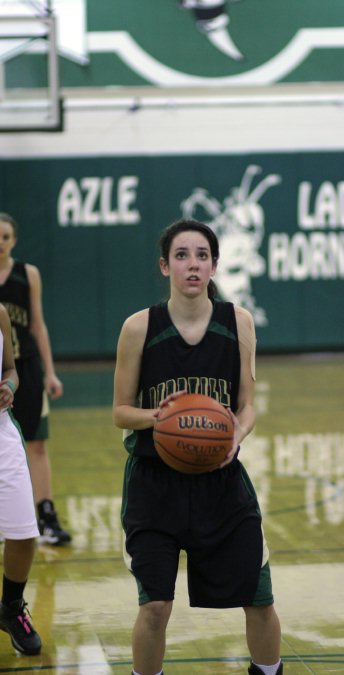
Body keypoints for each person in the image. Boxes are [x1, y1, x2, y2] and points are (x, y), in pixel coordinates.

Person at [113, 218, 282, 675]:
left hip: (222, 484)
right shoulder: (139, 327)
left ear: (214, 265)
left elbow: (246, 408)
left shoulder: (238, 322)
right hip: (155, 486)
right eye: (182, 256)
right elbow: (120, 412)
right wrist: (159, 418)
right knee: (155, 608)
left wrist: (235, 436)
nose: (193, 265)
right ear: (164, 266)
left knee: (260, 600)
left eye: (202, 255)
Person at [0, 213, 71, 545]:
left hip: (24, 368)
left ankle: (47, 516)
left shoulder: (28, 275)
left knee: (37, 444)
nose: (0, 242)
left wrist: (51, 371)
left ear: (14, 240)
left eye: (5, 236)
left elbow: (38, 325)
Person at [0, 303, 42, 655]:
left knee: (24, 533)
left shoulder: (0, 311)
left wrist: (9, 386)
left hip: (1, 432)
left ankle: (11, 608)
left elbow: (11, 369)